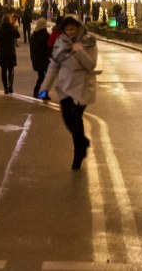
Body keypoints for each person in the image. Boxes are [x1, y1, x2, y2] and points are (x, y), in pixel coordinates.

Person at [39, 15, 98, 170]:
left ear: (79, 28)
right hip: (66, 86)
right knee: (68, 120)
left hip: (83, 87)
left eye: (73, 29)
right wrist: (44, 88)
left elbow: (91, 65)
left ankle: (78, 153)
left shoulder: (89, 41)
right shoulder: (61, 42)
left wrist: (79, 51)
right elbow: (54, 66)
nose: (70, 32)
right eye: (67, 29)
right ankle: (82, 142)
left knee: (76, 118)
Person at [0, 15, 21, 94]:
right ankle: (10, 86)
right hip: (10, 51)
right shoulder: (12, 28)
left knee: (3, 70)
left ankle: (5, 88)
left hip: (2, 52)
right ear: (9, 20)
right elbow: (18, 35)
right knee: (11, 70)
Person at [28, 17, 52, 99]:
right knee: (47, 77)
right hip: (45, 59)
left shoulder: (34, 36)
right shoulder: (46, 36)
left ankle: (36, 91)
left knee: (41, 76)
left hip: (36, 60)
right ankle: (44, 94)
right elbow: (49, 47)